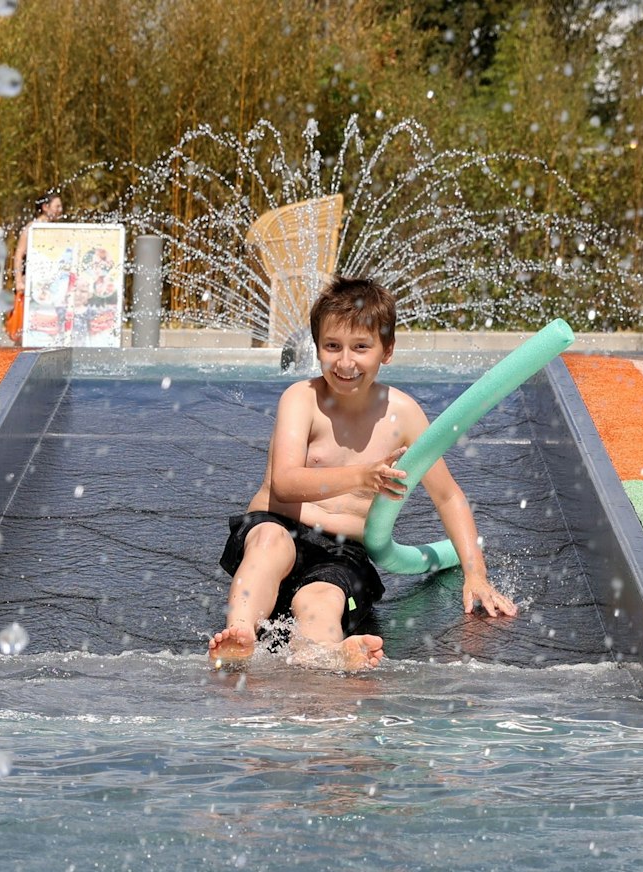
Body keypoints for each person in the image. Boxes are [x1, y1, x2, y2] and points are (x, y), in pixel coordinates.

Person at [209, 277, 517, 671]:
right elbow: (284, 482)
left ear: (386, 351)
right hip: (280, 524)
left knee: (321, 599)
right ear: (317, 346)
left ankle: (321, 651)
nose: (345, 362)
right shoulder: (302, 399)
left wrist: (476, 574)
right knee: (269, 543)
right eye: (332, 347)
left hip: (343, 551)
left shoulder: (402, 414)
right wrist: (360, 476)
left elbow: (448, 495)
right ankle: (241, 631)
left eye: (361, 348)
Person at [4, 191, 64, 342]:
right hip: (32, 284)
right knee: (27, 327)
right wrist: (18, 281)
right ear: (45, 207)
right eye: (57, 206)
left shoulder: (58, 229)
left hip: (51, 286)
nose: (60, 210)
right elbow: (19, 255)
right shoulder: (32, 228)